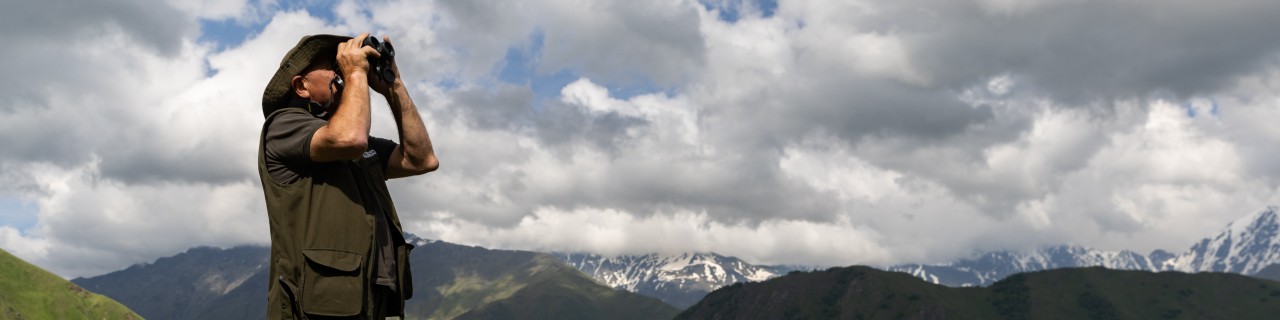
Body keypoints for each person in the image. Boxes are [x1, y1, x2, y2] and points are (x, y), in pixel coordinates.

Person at [257, 33, 439, 320]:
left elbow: (421, 159)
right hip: (318, 307)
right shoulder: (284, 125)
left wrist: (394, 87)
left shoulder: (352, 142)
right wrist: (355, 72)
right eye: (334, 65)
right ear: (301, 86)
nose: (342, 71)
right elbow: (350, 138)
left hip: (367, 301)